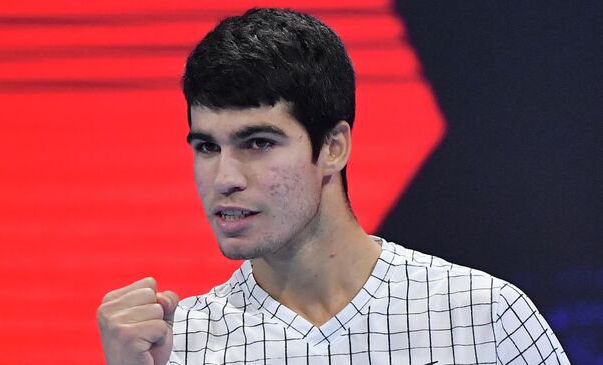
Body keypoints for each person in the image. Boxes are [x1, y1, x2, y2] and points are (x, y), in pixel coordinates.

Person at [97, 8, 569, 365]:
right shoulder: (174, 347)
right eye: (206, 147)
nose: (225, 179)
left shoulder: (481, 315)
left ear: (334, 147)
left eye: (258, 142)